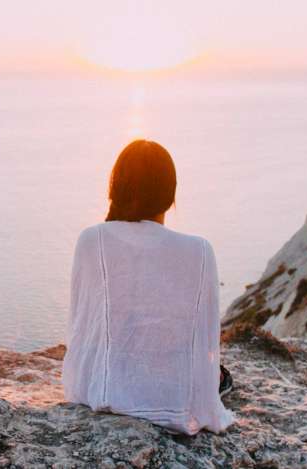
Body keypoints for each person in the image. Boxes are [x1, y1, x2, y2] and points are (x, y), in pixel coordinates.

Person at [61, 140, 234, 434]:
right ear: (169, 194)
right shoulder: (200, 251)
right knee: (219, 375)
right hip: (172, 395)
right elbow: (205, 338)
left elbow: (81, 327)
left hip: (102, 390)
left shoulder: (91, 240)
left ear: (116, 187)